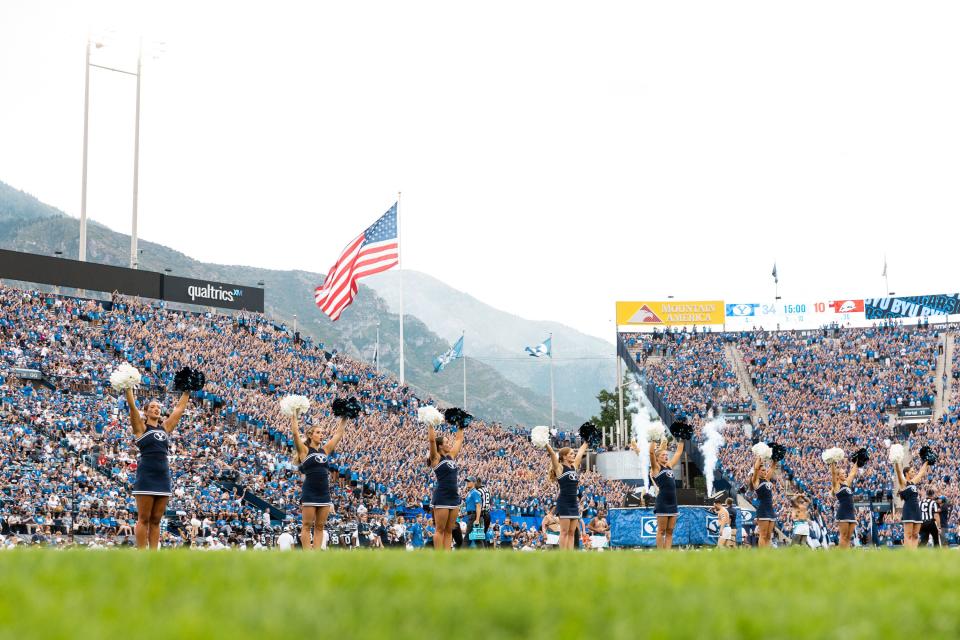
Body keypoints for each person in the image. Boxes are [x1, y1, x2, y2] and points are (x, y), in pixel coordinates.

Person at [125, 386, 190, 550]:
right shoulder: (141, 428)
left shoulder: (165, 428)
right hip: (146, 475)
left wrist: (187, 391)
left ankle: (154, 555)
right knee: (144, 519)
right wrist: (128, 389)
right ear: (146, 412)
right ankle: (141, 553)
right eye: (152, 407)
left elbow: (179, 410)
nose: (156, 409)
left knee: (156, 520)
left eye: (159, 407)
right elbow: (133, 408)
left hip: (163, 476)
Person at [290, 411, 346, 550]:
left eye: (322, 433)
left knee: (320, 526)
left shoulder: (325, 450)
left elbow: (338, 435)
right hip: (310, 492)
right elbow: (296, 433)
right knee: (307, 525)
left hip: (324, 493)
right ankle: (307, 555)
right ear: (310, 435)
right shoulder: (304, 450)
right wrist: (294, 414)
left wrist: (345, 417)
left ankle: (316, 555)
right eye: (318, 432)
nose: (321, 435)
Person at [631, 436, 684, 549]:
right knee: (661, 530)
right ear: (657, 458)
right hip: (663, 502)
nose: (666, 456)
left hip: (673, 502)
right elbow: (651, 453)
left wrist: (682, 438)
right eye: (663, 455)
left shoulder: (669, 466)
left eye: (666, 454)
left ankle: (667, 554)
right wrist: (653, 439)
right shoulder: (656, 468)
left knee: (670, 531)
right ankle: (661, 553)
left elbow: (679, 452)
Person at [427, 422, 464, 551]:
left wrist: (461, 424)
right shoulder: (435, 458)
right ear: (440, 446)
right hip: (442, 497)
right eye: (447, 442)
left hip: (454, 497)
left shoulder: (451, 456)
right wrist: (430, 423)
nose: (449, 444)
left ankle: (447, 556)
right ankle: (439, 557)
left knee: (450, 530)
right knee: (440, 529)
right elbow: (432, 440)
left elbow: (459, 439)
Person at [545, 441, 588, 550]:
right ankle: (563, 554)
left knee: (572, 532)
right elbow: (552, 454)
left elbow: (581, 452)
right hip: (564, 503)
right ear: (564, 456)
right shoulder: (559, 468)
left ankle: (570, 555)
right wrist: (546, 443)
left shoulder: (574, 466)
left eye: (573, 453)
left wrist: (587, 441)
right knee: (564, 532)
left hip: (574, 503)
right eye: (571, 453)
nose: (574, 455)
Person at [894, 459, 929, 549]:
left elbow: (921, 473)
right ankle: (908, 554)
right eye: (912, 471)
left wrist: (927, 461)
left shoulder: (913, 482)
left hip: (917, 509)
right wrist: (896, 461)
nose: (914, 473)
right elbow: (898, 472)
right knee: (908, 534)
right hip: (908, 510)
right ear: (906, 473)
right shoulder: (903, 483)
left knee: (916, 535)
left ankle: (914, 553)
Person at [750, 455, 778, 548]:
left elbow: (773, 467)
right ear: (758, 472)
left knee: (769, 536)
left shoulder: (766, 479)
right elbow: (756, 467)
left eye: (765, 470)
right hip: (762, 510)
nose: (765, 471)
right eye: (762, 470)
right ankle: (762, 555)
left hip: (770, 510)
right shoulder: (756, 481)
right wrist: (759, 456)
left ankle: (767, 555)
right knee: (763, 535)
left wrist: (775, 458)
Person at [830, 459, 859, 549]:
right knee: (843, 536)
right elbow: (833, 474)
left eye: (844, 472)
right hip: (843, 513)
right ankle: (839, 556)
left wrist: (858, 460)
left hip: (851, 513)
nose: (845, 474)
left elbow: (853, 473)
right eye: (842, 473)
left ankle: (846, 556)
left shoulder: (846, 483)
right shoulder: (836, 486)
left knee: (848, 538)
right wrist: (832, 462)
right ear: (838, 476)